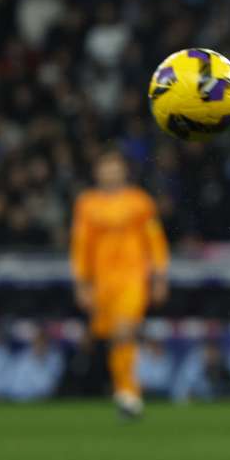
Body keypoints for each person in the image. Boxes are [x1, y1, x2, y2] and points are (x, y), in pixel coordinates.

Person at [70, 150, 170, 418]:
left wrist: (159, 276)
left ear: (123, 171)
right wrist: (82, 283)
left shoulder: (139, 202)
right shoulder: (87, 204)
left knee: (125, 331)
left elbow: (155, 240)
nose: (110, 172)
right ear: (97, 172)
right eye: (106, 167)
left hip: (133, 277)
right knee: (112, 336)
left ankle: (129, 393)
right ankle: (122, 389)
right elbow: (81, 246)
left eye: (115, 167)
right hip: (102, 281)